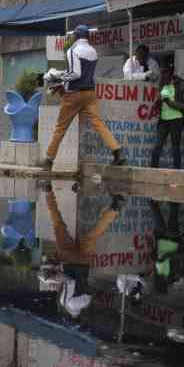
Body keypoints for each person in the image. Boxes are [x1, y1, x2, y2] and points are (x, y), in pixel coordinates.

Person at [39, 24, 126, 169]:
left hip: (74, 94)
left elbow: (76, 73)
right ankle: (117, 151)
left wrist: (59, 80)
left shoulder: (73, 50)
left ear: (76, 36)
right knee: (98, 124)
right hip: (90, 94)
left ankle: (49, 160)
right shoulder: (93, 51)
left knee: (60, 128)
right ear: (87, 37)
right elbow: (82, 73)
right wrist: (63, 77)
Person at [37, 183, 125, 317]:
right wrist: (54, 275)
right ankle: (48, 192)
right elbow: (69, 281)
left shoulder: (86, 302)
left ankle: (114, 208)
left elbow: (83, 284)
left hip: (84, 263)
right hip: (68, 260)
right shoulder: (65, 302)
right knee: (58, 224)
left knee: (94, 235)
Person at [150, 62, 184, 170]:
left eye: (165, 73)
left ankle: (176, 172)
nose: (162, 76)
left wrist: (170, 103)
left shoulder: (182, 85)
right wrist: (155, 105)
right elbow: (160, 99)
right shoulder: (162, 83)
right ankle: (152, 170)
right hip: (163, 120)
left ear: (171, 74)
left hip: (176, 121)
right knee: (157, 146)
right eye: (161, 73)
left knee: (175, 148)